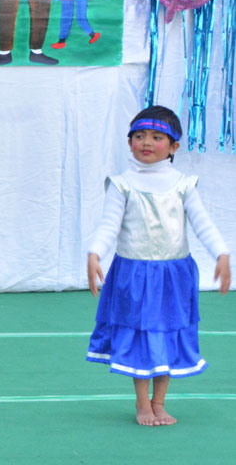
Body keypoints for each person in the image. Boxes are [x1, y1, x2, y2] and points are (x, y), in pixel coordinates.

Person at [86, 106, 230, 426]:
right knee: (140, 337)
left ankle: (159, 401)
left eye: (156, 137)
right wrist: (95, 253)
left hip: (173, 276)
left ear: (174, 146)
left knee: (167, 335)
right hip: (134, 275)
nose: (146, 142)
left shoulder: (183, 184)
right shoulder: (122, 184)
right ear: (129, 143)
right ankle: (142, 404)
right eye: (139, 136)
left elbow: (202, 222)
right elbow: (109, 225)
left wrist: (221, 253)